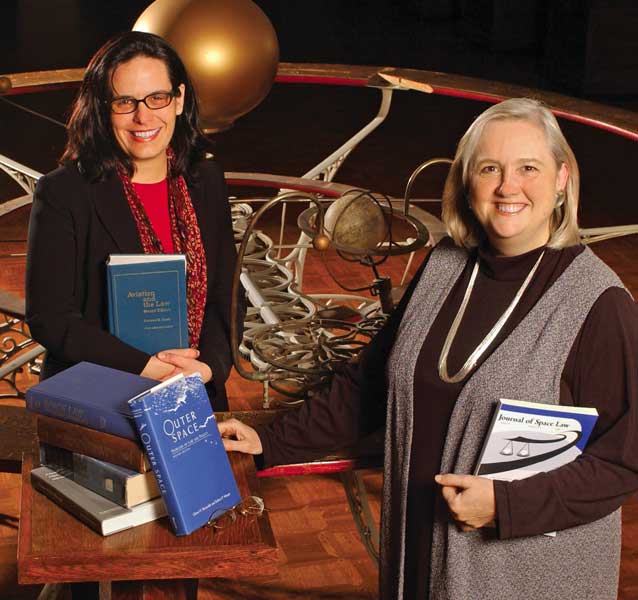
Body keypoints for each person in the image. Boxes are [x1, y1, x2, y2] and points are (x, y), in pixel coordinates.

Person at [219, 98, 638, 599]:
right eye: (490, 169)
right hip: (418, 554)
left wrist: (507, 504)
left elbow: (626, 458)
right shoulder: (446, 265)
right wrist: (272, 443)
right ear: (466, 182)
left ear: (562, 178)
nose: (508, 187)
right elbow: (369, 385)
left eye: (529, 167)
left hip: (522, 578)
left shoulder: (599, 303)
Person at [26, 31, 244, 410]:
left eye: (157, 98)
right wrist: (149, 367)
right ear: (102, 108)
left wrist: (206, 368)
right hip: (100, 396)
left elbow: (226, 296)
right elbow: (52, 317)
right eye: (125, 102)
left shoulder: (206, 180)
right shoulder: (65, 192)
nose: (143, 116)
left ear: (178, 100)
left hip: (195, 388)